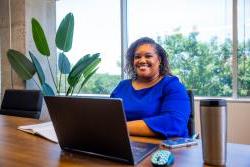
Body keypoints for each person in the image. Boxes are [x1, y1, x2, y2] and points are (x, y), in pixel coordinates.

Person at [110, 37, 190, 138]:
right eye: (137, 57)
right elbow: (110, 119)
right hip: (126, 145)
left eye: (148, 56)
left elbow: (174, 123)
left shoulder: (172, 86)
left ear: (159, 60)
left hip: (165, 149)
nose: (142, 60)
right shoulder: (122, 86)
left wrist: (120, 128)